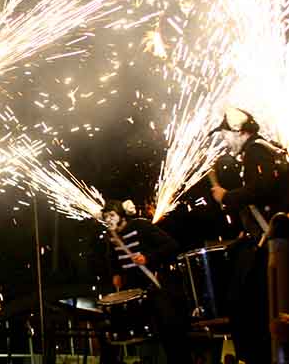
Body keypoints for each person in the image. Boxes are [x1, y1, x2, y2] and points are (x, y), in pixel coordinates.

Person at [210, 107, 289, 363]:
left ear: (239, 131)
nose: (224, 141)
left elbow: (263, 187)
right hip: (271, 239)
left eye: (225, 134)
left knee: (247, 304)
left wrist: (228, 197)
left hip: (272, 242)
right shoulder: (264, 150)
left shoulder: (256, 150)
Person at [100, 200, 191, 363]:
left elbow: (171, 245)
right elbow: (112, 259)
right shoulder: (111, 237)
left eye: (112, 215)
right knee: (119, 331)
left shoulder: (141, 226)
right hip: (133, 292)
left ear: (122, 215)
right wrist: (116, 274)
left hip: (156, 286)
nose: (109, 220)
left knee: (169, 332)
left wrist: (148, 257)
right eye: (106, 216)